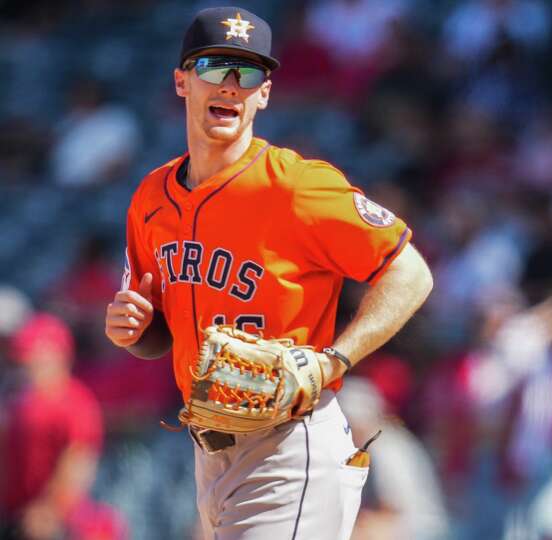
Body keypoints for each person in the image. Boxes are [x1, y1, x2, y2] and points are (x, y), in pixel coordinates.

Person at [102, 7, 433, 540]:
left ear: (265, 94)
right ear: (182, 82)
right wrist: (135, 328)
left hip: (289, 444)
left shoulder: (296, 185)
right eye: (215, 67)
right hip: (207, 453)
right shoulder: (149, 198)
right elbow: (157, 333)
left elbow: (411, 272)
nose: (231, 86)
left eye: (248, 73)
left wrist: (334, 361)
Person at [2, 314, 127, 540]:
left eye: (38, 357)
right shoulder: (17, 400)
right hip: (15, 513)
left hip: (57, 520)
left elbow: (78, 461)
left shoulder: (75, 403)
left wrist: (50, 509)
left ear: (60, 356)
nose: (30, 365)